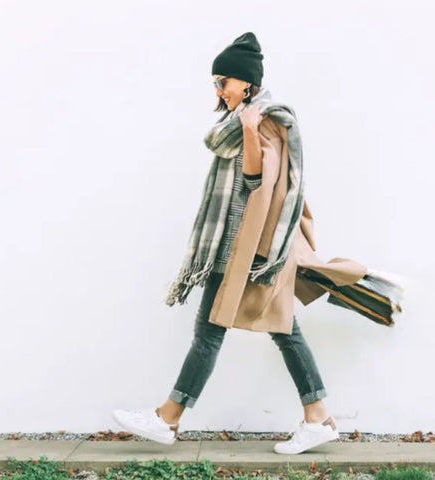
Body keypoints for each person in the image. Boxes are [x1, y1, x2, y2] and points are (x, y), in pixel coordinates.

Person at [112, 32, 339, 455]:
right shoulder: (240, 122)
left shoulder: (264, 120)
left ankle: (169, 418)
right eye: (216, 82)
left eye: (224, 81)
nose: (218, 90)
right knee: (277, 330)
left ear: (247, 83)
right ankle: (318, 416)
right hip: (248, 248)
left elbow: (258, 182)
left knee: (218, 333)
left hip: (250, 250)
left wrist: (250, 130)